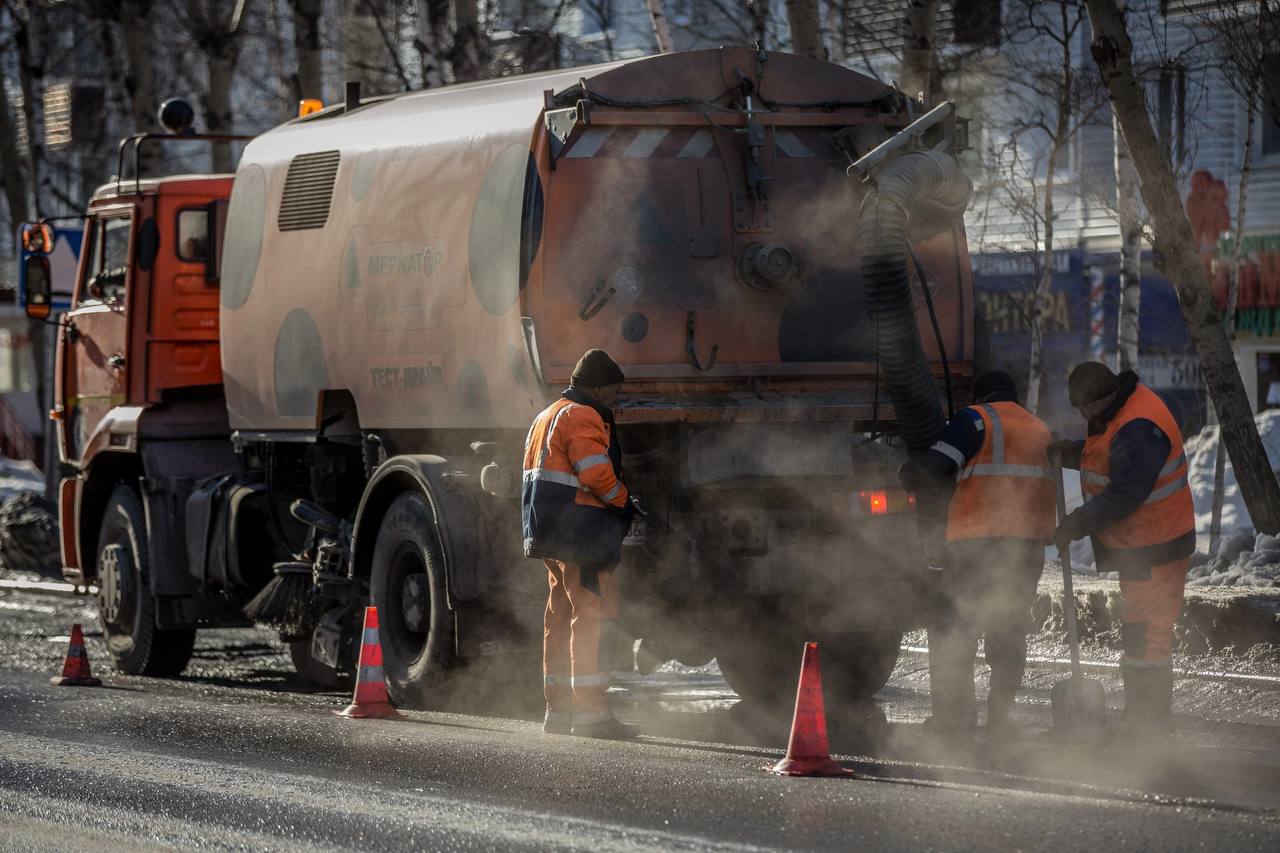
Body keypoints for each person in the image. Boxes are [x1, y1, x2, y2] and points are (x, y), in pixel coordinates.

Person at [901, 370, 1056, 733]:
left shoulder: (974, 420)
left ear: (980, 395)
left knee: (955, 628)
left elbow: (939, 466)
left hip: (976, 546)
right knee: (1008, 628)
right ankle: (1000, 718)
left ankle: (954, 720)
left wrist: (910, 472)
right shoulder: (1039, 427)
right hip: (1025, 548)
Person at [1052, 362, 1193, 739]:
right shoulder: (1119, 414)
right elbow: (1108, 455)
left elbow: (1125, 492)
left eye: (1084, 409)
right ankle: (1141, 721)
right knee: (1139, 632)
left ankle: (1148, 728)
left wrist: (1077, 523)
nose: (1082, 416)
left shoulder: (1139, 425)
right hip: (1142, 547)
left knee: (1148, 637)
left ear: (1103, 398)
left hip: (1157, 547)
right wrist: (1072, 453)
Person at [522, 348, 639, 739]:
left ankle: (558, 712)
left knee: (558, 616)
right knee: (595, 616)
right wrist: (624, 502)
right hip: (582, 535)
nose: (616, 401)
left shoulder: (547, 415)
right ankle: (592, 714)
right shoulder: (583, 415)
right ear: (599, 386)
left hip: (551, 533)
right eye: (614, 392)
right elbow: (595, 474)